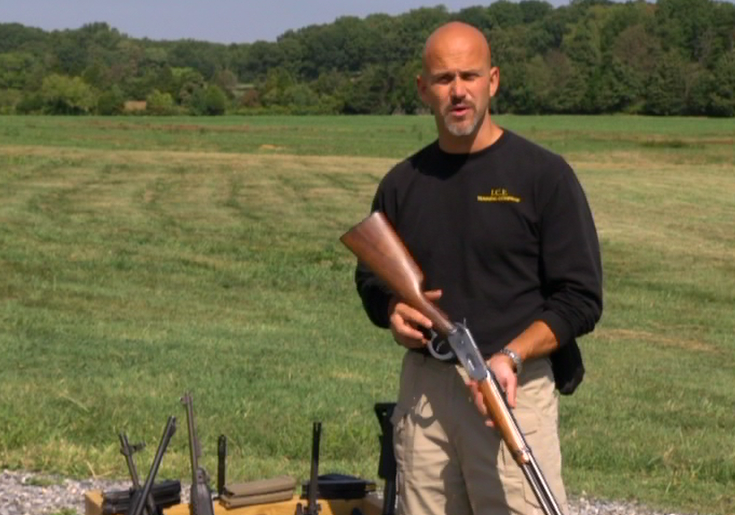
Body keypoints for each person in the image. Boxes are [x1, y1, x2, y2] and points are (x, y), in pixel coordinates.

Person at [352, 21, 603, 515]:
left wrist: (510, 355)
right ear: (423, 89)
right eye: (444, 79)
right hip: (426, 395)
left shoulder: (544, 175)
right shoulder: (402, 183)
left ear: (494, 80)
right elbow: (370, 276)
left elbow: (580, 298)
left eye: (469, 75)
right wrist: (391, 310)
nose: (458, 91)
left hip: (513, 390)